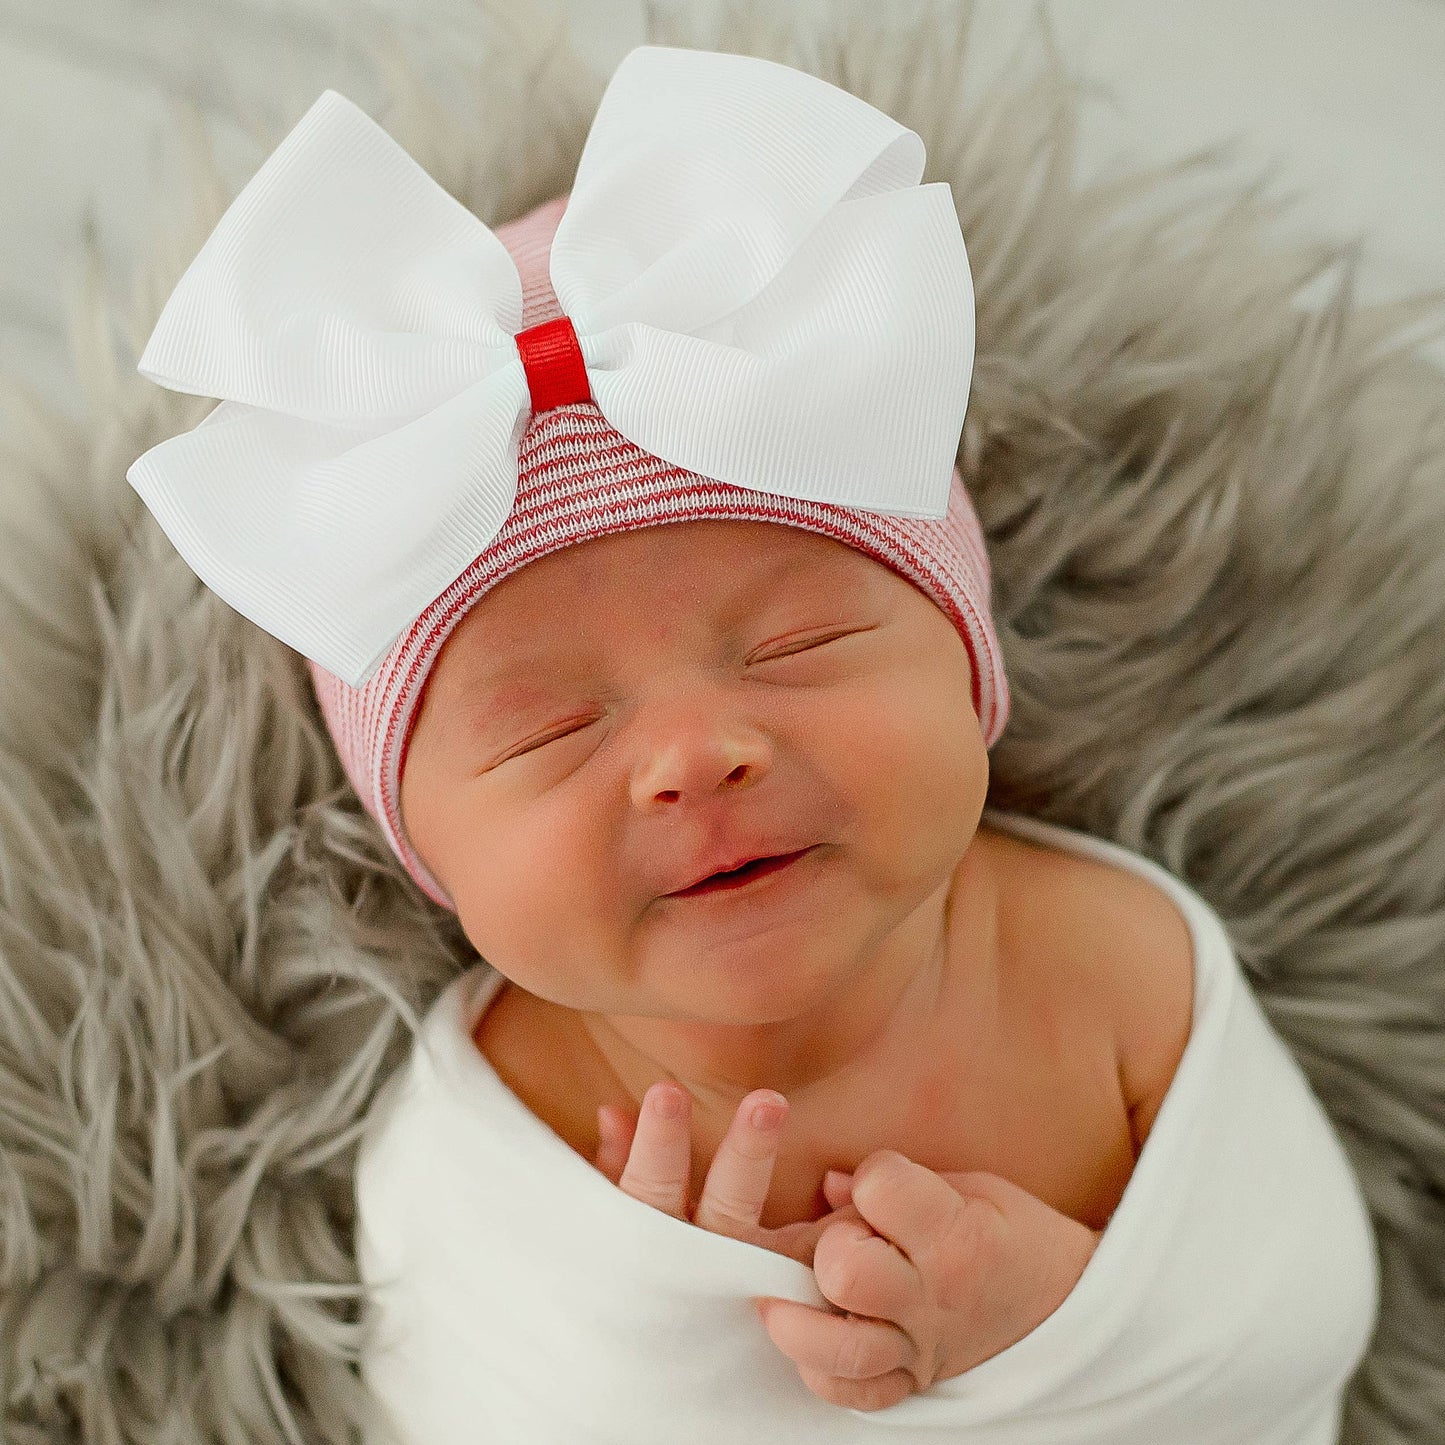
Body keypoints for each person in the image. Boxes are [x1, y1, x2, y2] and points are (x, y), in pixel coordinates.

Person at [124, 42, 1379, 1444]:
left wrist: (1049, 1318)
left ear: (970, 670)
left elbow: (1304, 1314)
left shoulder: (1116, 971)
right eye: (548, 728)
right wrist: (654, 1339)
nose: (691, 754)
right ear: (425, 846)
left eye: (795, 649)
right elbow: (442, 1409)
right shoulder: (489, 1129)